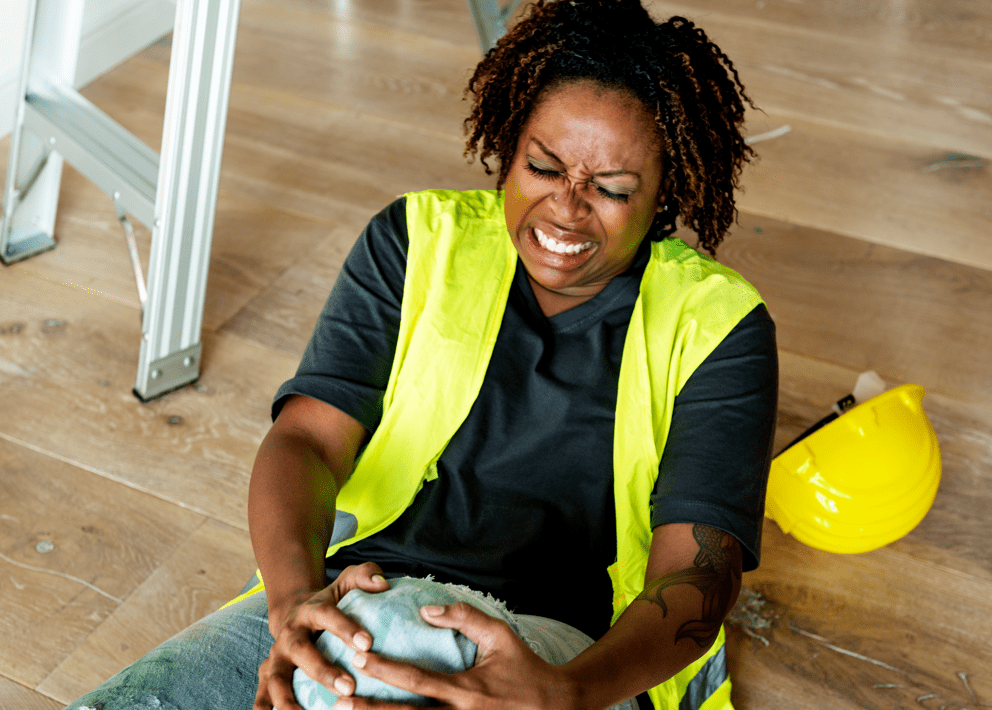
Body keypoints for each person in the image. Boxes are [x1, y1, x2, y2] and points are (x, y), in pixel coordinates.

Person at [63, 0, 776, 708]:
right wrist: (294, 605)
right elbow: (307, 440)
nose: (566, 206)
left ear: (665, 193)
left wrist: (567, 690)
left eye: (612, 189)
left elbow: (698, 570)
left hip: (565, 652)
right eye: (542, 166)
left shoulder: (717, 326)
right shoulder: (415, 240)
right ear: (508, 148)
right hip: (352, 593)